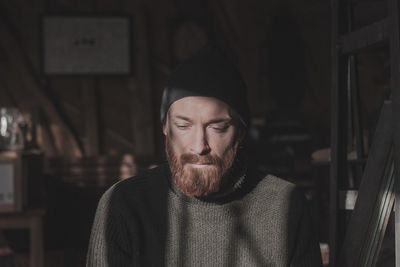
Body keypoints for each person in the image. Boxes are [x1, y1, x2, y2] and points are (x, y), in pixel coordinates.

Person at [86, 44, 322, 266]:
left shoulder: (285, 204)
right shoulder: (124, 204)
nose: (199, 146)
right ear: (165, 127)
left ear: (240, 132)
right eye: (183, 126)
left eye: (217, 127)